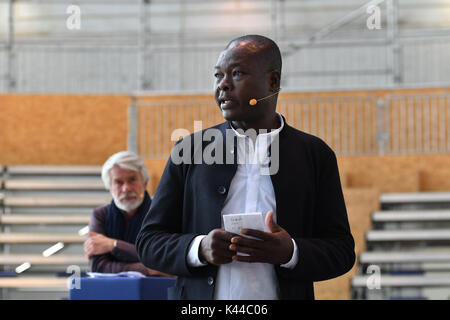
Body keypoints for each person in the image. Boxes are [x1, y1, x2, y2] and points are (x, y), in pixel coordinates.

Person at [136, 35, 355, 299]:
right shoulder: (190, 150)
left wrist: (291, 252)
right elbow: (148, 242)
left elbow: (341, 251)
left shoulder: (315, 155)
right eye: (218, 76)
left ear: (272, 82)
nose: (223, 86)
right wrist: (199, 248)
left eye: (237, 73)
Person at [84, 150, 168, 276]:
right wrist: (147, 269)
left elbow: (162, 258)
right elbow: (98, 267)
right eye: (118, 182)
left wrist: (112, 245)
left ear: (144, 183)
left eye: (132, 180)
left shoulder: (161, 212)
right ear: (110, 187)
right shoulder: (100, 215)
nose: (126, 188)